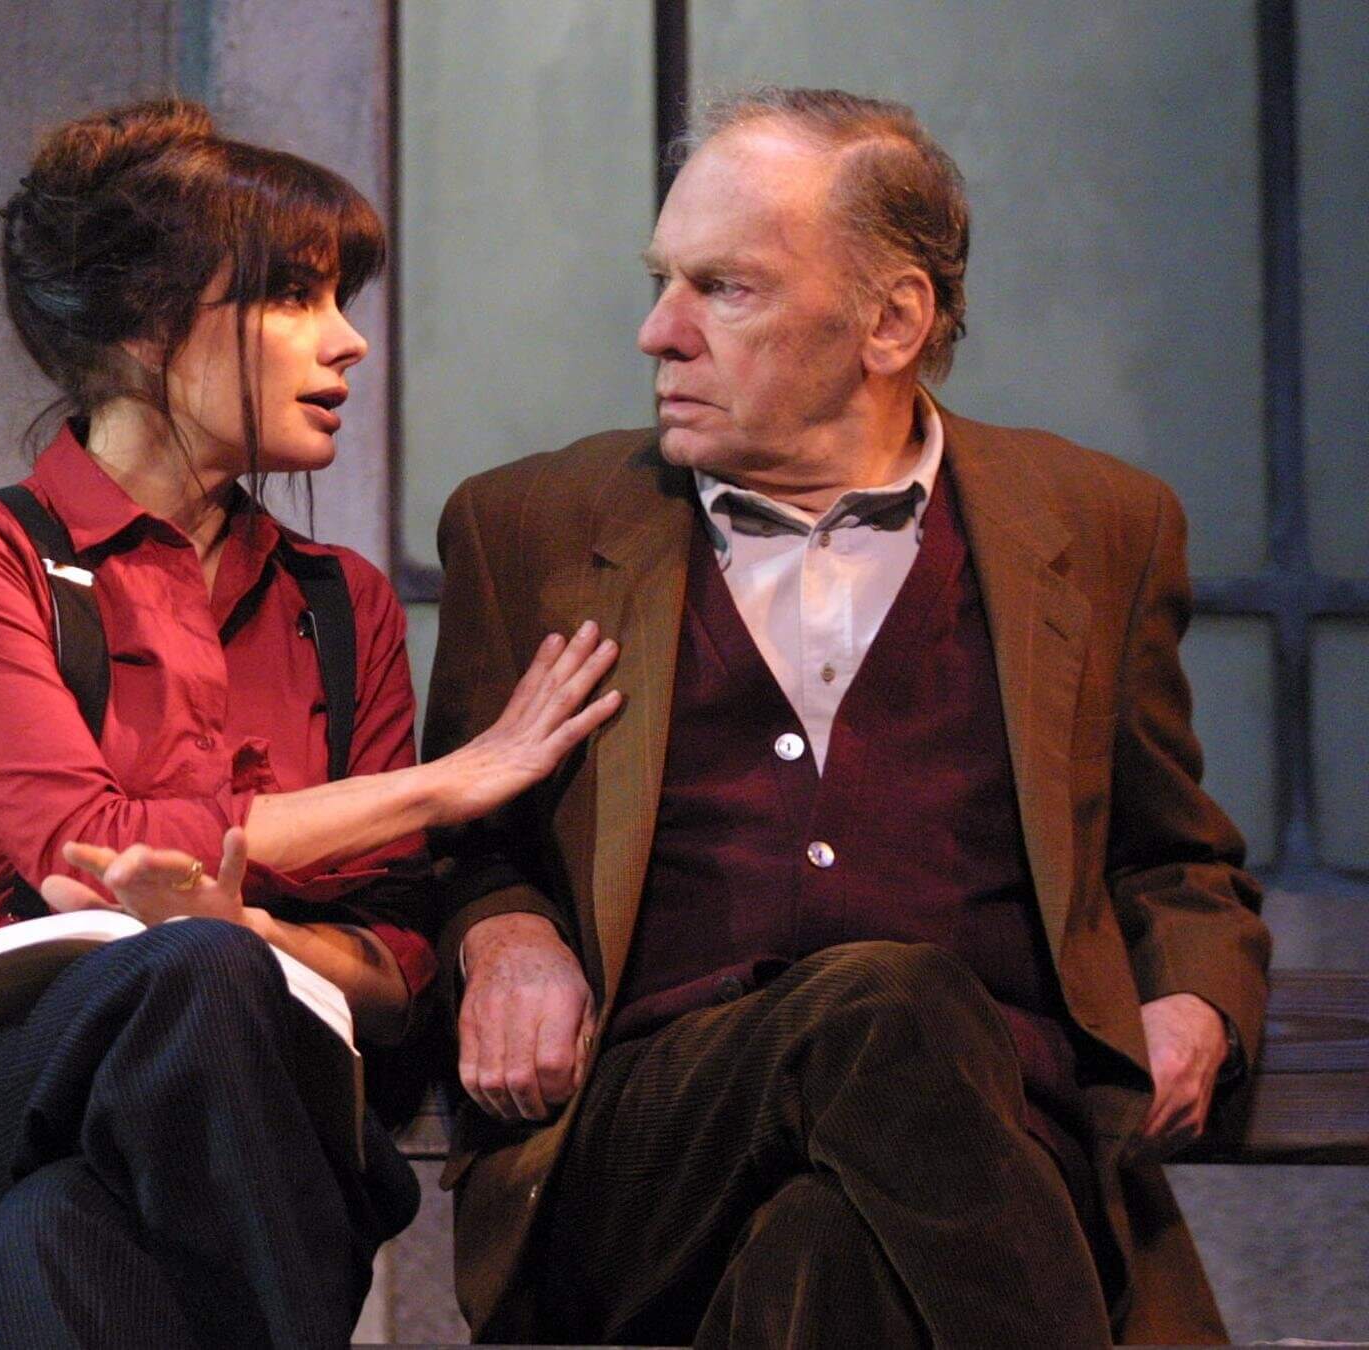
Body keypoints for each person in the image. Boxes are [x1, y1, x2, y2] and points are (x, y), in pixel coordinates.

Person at [424, 87, 1270, 1348]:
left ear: (890, 321)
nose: (658, 332)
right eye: (665, 280)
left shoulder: (1099, 527)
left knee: (822, 1248)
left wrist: (1194, 1000)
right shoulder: (525, 526)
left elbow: (1173, 856)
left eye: (725, 288)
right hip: (648, 1143)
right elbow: (460, 845)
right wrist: (504, 941)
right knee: (881, 1005)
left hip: (1000, 1139)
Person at [0, 100, 620, 1349]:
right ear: (148, 325)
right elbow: (80, 847)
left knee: (60, 1239)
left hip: (186, 1173)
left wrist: (245, 927)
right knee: (190, 978)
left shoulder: (338, 601)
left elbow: (401, 967)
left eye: (340, 299)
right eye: (295, 298)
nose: (349, 342)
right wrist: (443, 785)